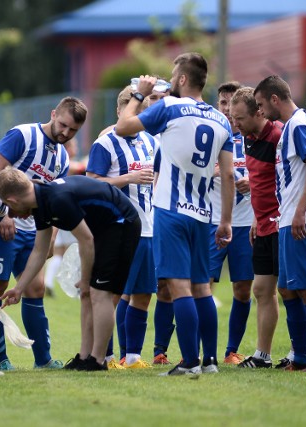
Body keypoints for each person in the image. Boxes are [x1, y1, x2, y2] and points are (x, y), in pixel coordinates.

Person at [116, 52, 235, 376]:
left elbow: (123, 125)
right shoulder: (221, 119)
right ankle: (209, 360)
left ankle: (189, 361)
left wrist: (140, 92)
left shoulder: (168, 108)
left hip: (170, 210)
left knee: (179, 287)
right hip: (203, 213)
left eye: (173, 74)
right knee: (202, 288)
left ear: (182, 79)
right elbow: (226, 176)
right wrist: (225, 220)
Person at [0, 170, 141, 371]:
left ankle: (98, 361)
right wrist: (19, 288)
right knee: (86, 294)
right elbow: (40, 251)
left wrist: (86, 278)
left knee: (99, 293)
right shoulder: (40, 203)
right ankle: (84, 357)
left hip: (121, 223)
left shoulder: (57, 199)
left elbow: (86, 240)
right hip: (101, 230)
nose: (12, 215)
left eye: (9, 208)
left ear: (12, 200)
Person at [0, 96, 87, 370]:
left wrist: (52, 234)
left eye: (73, 131)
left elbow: (54, 199)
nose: (65, 133)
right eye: (63, 125)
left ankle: (42, 359)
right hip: (4, 227)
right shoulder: (23, 135)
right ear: (54, 114)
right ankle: (0, 359)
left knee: (36, 288)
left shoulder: (63, 157)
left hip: (34, 231)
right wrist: (3, 215)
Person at [254, 75, 306, 372]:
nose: (260, 111)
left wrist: (300, 210)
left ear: (275, 99)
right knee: (288, 289)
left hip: (304, 219)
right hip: (288, 219)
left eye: (261, 104)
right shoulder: (291, 127)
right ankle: (301, 357)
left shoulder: (299, 124)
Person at [86, 85, 159, 369]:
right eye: (133, 111)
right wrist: (127, 178)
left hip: (149, 229)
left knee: (142, 295)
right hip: (118, 229)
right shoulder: (104, 144)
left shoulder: (151, 143)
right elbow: (91, 183)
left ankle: (133, 357)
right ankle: (104, 356)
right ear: (120, 111)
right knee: (112, 296)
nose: (137, 117)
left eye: (141, 113)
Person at [229, 86, 283, 368]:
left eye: (239, 118)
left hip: (282, 223)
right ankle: (262, 356)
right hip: (261, 223)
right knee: (261, 290)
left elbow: (291, 177)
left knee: (294, 290)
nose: (234, 124)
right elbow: (260, 182)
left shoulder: (278, 135)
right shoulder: (246, 137)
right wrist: (255, 217)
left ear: (258, 111)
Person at [208, 82, 255, 366]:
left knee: (243, 289)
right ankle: (206, 351)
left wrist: (256, 181)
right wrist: (210, 170)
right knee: (204, 287)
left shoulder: (258, 138)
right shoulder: (210, 137)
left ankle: (231, 351)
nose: (227, 109)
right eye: (222, 103)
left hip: (246, 223)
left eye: (231, 104)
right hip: (213, 221)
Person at [43, 138, 85, 298]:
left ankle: (48, 281)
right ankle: (77, 285)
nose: (75, 148)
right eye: (73, 145)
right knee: (75, 249)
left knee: (59, 251)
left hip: (56, 211)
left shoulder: (56, 164)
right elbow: (81, 167)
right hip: (68, 211)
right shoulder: (67, 164)